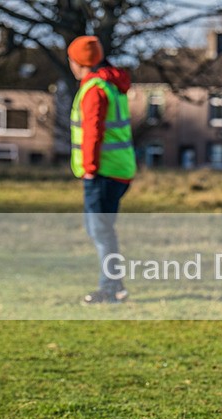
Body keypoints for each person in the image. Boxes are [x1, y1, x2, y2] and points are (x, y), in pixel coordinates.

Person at [67, 35, 136, 304]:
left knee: (100, 230)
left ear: (77, 62)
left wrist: (90, 168)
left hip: (103, 171)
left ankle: (111, 288)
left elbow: (92, 131)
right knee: (100, 228)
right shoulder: (110, 84)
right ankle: (113, 286)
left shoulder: (95, 88)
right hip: (118, 168)